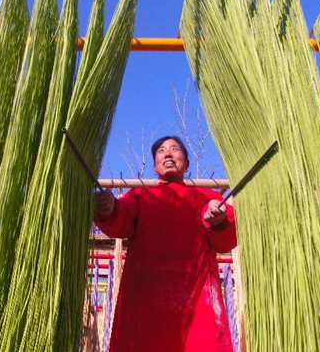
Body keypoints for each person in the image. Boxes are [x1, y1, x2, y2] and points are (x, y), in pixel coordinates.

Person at [94, 136, 237, 352]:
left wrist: (219, 221)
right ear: (155, 166)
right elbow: (119, 221)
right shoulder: (140, 196)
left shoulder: (209, 198)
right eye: (161, 151)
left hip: (199, 305)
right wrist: (107, 208)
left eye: (174, 149)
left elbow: (226, 241)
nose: (167, 154)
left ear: (187, 164)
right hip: (144, 304)